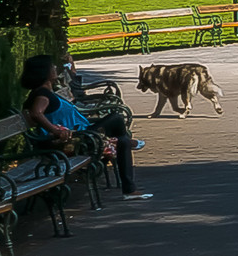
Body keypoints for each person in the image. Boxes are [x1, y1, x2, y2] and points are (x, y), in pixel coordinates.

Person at [21, 54, 147, 200]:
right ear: (44, 72)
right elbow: (36, 113)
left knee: (122, 140)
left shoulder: (46, 92)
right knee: (117, 118)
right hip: (75, 140)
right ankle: (125, 146)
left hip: (80, 135)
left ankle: (129, 190)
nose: (55, 67)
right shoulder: (42, 94)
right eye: (52, 66)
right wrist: (55, 131)